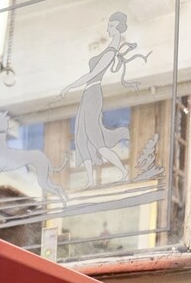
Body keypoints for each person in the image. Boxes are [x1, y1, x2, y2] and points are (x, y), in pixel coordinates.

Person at [58, 12, 148, 189]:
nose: (108, 28)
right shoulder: (109, 48)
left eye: (111, 25)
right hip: (88, 94)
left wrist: (69, 87)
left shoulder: (111, 51)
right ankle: (90, 181)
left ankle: (123, 172)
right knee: (82, 137)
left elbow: (91, 75)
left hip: (93, 93)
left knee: (95, 139)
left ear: (118, 28)